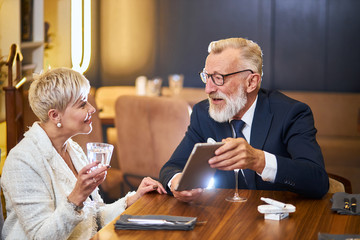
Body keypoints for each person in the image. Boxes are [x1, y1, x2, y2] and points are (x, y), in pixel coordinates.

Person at [1, 67, 166, 239]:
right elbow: (42, 237)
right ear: (55, 115)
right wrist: (76, 197)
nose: (92, 109)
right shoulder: (21, 161)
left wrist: (132, 199)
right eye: (82, 104)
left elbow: (93, 219)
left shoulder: (73, 149)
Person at [159, 37, 329, 202]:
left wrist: (258, 160)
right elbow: (172, 167)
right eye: (207, 76)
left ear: (251, 82)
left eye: (219, 78)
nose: (208, 89)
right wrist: (177, 181)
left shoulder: (291, 113)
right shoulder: (202, 113)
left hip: (278, 222)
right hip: (223, 221)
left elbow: (317, 181)